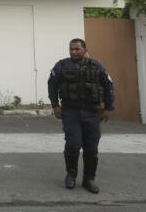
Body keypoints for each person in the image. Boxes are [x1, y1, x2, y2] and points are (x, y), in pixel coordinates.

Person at [48, 38, 115, 193]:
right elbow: (51, 84)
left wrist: (109, 108)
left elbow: (108, 86)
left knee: (91, 148)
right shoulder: (62, 65)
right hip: (71, 112)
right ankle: (71, 175)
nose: (73, 52)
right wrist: (55, 105)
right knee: (73, 144)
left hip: (92, 112)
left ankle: (89, 179)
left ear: (84, 50)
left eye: (77, 49)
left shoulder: (97, 66)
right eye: (71, 49)